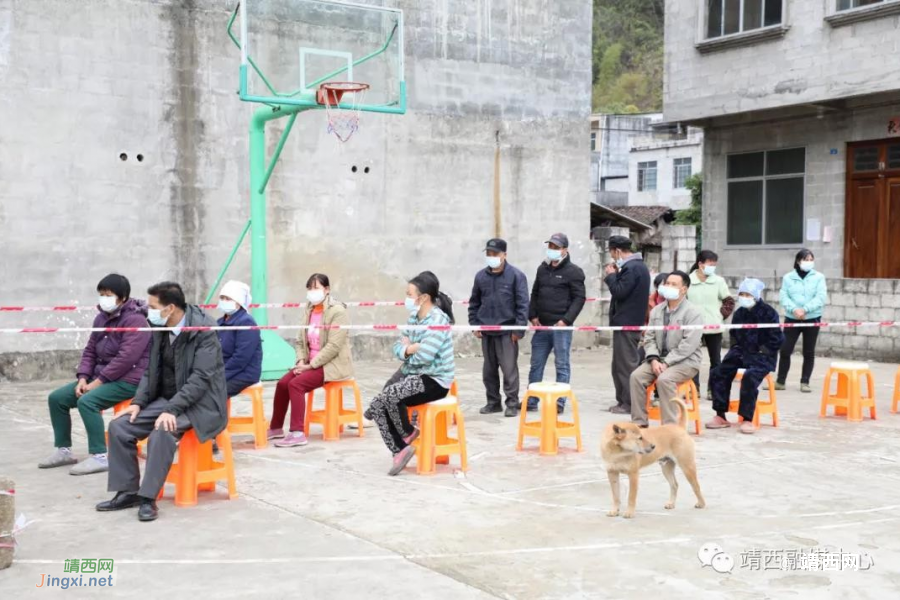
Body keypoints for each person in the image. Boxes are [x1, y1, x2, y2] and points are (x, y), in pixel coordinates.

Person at [97, 281, 227, 521]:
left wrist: (171, 409)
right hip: (167, 399)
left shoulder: (203, 330)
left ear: (170, 308)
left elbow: (200, 379)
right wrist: (138, 402)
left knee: (161, 430)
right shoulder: (159, 327)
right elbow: (150, 370)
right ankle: (128, 491)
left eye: (153, 306)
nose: (148, 310)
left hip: (200, 404)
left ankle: (148, 498)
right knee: (120, 426)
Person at [40, 274, 151, 476]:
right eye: (101, 295)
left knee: (88, 402)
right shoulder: (101, 318)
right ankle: (63, 450)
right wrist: (83, 377)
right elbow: (90, 350)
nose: (104, 299)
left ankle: (99, 456)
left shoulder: (136, 320)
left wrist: (97, 383)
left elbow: (126, 359)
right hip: (101, 377)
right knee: (57, 399)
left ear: (123, 297)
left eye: (108, 295)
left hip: (130, 379)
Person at [365, 272, 455, 476]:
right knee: (378, 403)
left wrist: (410, 351)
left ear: (423, 297)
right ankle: (400, 449)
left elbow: (426, 356)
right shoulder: (414, 318)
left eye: (409, 294)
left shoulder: (438, 320)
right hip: (414, 376)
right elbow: (398, 347)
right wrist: (409, 349)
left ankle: (407, 432)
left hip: (435, 380)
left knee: (389, 395)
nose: (406, 298)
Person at [268, 274, 353, 448]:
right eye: (309, 288)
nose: (312, 292)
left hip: (331, 364)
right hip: (308, 363)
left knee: (296, 384)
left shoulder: (337, 312)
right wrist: (300, 361)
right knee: (283, 383)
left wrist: (310, 366)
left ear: (327, 290)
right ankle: (276, 428)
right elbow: (300, 340)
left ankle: (297, 433)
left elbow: (333, 346)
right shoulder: (309, 310)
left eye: (316, 288)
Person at [707, 279, 784, 435]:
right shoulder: (740, 313)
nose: (744, 297)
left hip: (762, 355)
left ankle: (747, 418)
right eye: (741, 294)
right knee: (718, 372)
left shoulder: (769, 313)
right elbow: (734, 334)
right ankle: (720, 415)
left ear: (755, 295)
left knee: (749, 377)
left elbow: (777, 339)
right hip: (741, 352)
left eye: (747, 294)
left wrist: (762, 350)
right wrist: (736, 348)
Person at [630, 271, 704, 427]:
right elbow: (649, 337)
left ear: (684, 289)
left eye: (673, 284)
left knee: (665, 379)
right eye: (667, 283)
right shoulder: (657, 310)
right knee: (636, 376)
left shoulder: (693, 312)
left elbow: (689, 345)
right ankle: (639, 423)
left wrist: (667, 362)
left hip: (686, 361)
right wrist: (654, 359)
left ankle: (670, 427)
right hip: (659, 359)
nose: (668, 286)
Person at [468, 238, 529, 417]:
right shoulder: (480, 277)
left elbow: (523, 305)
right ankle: (493, 402)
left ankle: (512, 403)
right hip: (487, 331)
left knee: (509, 370)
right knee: (489, 370)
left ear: (504, 255)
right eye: (489, 254)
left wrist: (518, 330)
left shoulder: (516, 276)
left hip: (507, 332)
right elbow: (474, 303)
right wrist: (474, 325)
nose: (492, 257)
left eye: (495, 254)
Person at [526, 233, 586, 413]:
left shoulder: (574, 272)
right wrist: (533, 315)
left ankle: (559, 403)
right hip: (542, 326)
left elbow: (579, 298)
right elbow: (535, 293)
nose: (552, 250)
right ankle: (531, 401)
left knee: (562, 364)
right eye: (550, 247)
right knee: (536, 364)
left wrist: (566, 320)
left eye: (556, 247)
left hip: (561, 327)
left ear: (565, 250)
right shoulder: (542, 269)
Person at [604, 235, 651, 414]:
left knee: (626, 365)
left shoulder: (632, 268)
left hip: (628, 323)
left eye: (612, 252)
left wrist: (610, 276)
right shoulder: (635, 267)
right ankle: (622, 400)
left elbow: (620, 291)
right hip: (625, 322)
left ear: (616, 250)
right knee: (618, 365)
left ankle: (630, 403)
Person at [776, 249, 827, 393]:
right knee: (785, 350)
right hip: (792, 318)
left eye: (811, 259)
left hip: (812, 318)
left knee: (808, 352)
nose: (809, 262)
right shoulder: (788, 278)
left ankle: (805, 382)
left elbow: (821, 297)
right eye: (806, 259)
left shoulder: (819, 277)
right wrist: (795, 310)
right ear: (798, 261)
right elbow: (784, 297)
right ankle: (780, 381)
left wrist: (805, 309)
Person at [687, 250, 734, 398]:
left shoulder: (718, 281)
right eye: (710, 264)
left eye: (714, 265)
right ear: (700, 264)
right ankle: (694, 389)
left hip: (714, 326)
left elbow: (729, 301)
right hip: (694, 326)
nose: (712, 267)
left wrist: (721, 315)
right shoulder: (688, 280)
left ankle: (713, 390)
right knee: (692, 359)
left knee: (716, 360)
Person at [215, 280, 262, 397]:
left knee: (212, 392)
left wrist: (219, 375)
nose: (224, 302)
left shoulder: (246, 322)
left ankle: (218, 416)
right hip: (224, 370)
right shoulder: (220, 323)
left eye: (228, 299)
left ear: (239, 303)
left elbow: (241, 358)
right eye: (222, 298)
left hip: (244, 373)